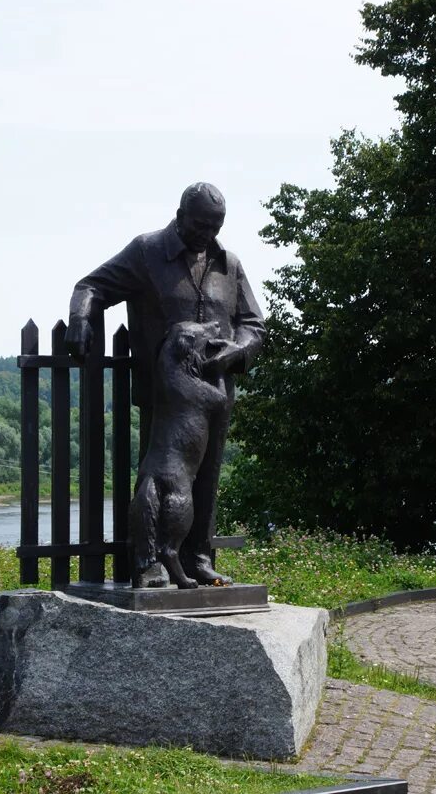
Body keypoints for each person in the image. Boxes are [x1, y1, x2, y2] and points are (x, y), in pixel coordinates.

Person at [66, 182, 265, 587]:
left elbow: (254, 325)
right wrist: (81, 317)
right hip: (167, 393)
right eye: (199, 225)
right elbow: (93, 285)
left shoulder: (229, 264)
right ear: (179, 215)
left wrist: (235, 351)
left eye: (215, 226)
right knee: (161, 476)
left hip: (215, 394)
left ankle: (198, 558)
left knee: (206, 477)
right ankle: (149, 562)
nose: (207, 234)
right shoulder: (148, 252)